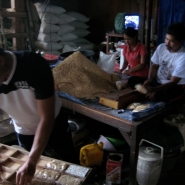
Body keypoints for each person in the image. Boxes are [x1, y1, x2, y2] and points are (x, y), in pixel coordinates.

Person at [0, 48, 79, 185]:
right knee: (32, 176)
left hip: (54, 123)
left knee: (71, 166)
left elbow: (46, 118)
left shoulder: (32, 64)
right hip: (24, 128)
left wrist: (32, 160)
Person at [143, 22, 185, 102]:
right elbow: (154, 66)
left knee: (160, 96)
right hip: (158, 83)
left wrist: (155, 90)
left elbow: (173, 83)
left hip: (174, 87)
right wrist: (150, 79)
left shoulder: (183, 56)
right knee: (134, 81)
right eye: (166, 39)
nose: (167, 43)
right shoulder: (161, 47)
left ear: (181, 42)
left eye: (171, 41)